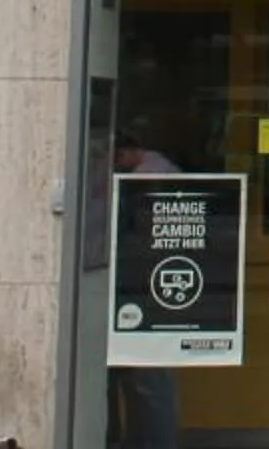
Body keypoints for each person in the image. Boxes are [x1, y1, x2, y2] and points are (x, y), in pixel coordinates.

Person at [111, 135, 182, 449]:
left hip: (142, 287)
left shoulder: (147, 177)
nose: (115, 166)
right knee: (145, 379)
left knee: (148, 379)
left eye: (118, 158)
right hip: (145, 287)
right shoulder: (158, 171)